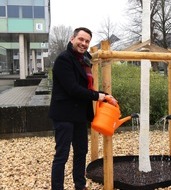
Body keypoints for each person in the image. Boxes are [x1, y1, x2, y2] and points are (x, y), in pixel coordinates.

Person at [49, 27, 116, 190]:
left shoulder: (85, 59)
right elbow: (72, 88)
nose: (84, 43)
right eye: (81, 39)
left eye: (87, 41)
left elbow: (86, 87)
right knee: (62, 156)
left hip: (79, 115)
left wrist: (105, 95)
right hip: (64, 114)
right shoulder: (64, 59)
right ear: (72, 39)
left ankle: (80, 185)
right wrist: (97, 96)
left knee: (81, 152)